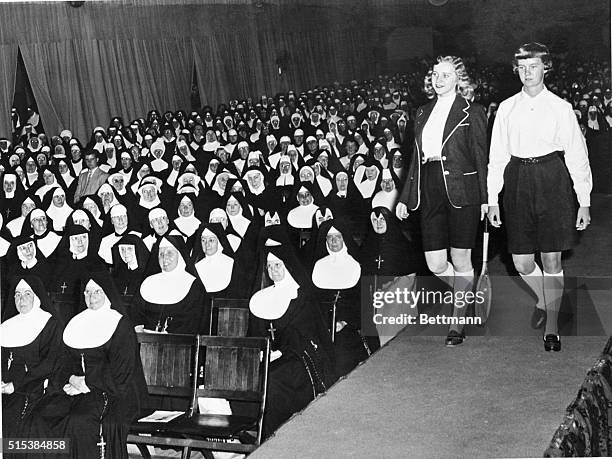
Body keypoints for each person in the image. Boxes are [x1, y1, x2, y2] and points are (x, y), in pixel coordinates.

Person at [487, 43, 592, 352]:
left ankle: (552, 323)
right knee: (520, 261)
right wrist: (493, 198)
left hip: (552, 179)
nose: (527, 72)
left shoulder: (560, 107)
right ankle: (547, 299)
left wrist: (583, 200)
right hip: (517, 180)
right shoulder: (506, 108)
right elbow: (497, 157)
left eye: (533, 66)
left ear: (546, 67)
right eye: (522, 67)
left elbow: (576, 155)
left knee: (551, 257)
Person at [396, 55, 488, 347]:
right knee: (435, 263)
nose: (439, 79)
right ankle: (466, 295)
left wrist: (487, 199)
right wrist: (405, 197)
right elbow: (415, 161)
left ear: (459, 80)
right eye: (435, 74)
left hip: (463, 189)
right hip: (430, 186)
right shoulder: (422, 112)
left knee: (460, 259)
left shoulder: (472, 112)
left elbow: (481, 158)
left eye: (446, 75)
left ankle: (457, 321)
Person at [33, 274, 149, 459]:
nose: (91, 297)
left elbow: (122, 372)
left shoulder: (120, 324)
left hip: (111, 391)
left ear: (107, 293)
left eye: (97, 291)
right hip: (74, 388)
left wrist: (87, 383)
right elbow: (61, 361)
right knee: (41, 415)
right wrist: (73, 380)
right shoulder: (76, 322)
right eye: (87, 292)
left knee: (78, 422)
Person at [248, 228, 337, 438]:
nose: (273, 270)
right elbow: (255, 334)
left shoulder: (301, 296)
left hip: (300, 359)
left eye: (277, 265)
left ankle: (275, 438)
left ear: (287, 265)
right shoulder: (262, 297)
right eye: (269, 266)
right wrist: (263, 352)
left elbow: (307, 337)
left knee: (274, 380)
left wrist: (279, 353)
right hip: (271, 357)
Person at [1, 275, 63, 450]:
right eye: (17, 294)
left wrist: (16, 385)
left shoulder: (49, 324)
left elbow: (49, 364)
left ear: (36, 296)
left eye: (27, 294)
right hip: (6, 387)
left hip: (35, 388)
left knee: (10, 415)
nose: (21, 299)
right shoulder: (6, 326)